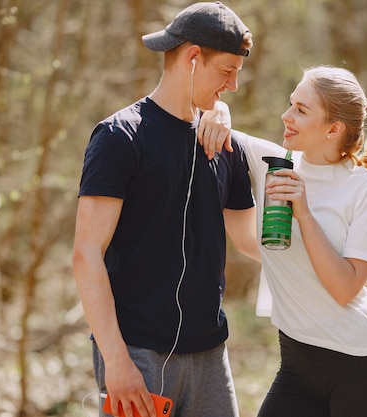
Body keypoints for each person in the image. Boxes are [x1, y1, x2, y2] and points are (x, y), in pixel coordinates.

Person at [71, 3, 257, 417]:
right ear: (193, 57)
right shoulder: (120, 137)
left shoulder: (225, 143)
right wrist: (116, 361)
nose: (234, 86)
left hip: (211, 356)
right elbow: (86, 255)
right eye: (226, 72)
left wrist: (300, 208)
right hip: (137, 356)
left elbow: (251, 241)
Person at [200, 65, 367, 416]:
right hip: (296, 366)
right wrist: (221, 110)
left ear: (334, 129)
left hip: (361, 371)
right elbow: (216, 122)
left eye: (301, 110)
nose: (286, 115)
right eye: (291, 104)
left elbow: (345, 287)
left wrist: (304, 213)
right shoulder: (272, 164)